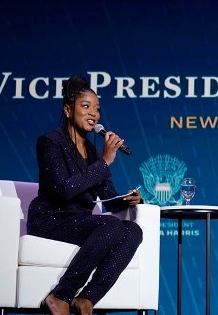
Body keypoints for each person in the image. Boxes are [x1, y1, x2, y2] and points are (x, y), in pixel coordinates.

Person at [27, 75, 143, 315]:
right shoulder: (50, 142)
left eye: (97, 109)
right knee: (111, 226)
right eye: (86, 106)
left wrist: (128, 199)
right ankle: (60, 295)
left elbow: (107, 197)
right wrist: (105, 161)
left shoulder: (91, 150)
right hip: (50, 219)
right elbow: (64, 190)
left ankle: (87, 299)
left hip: (79, 222)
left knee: (133, 230)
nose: (94, 114)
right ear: (68, 110)